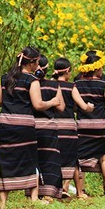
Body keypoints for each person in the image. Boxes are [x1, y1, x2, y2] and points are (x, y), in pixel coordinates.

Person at [0, 47, 61, 209]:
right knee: (30, 159)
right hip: (24, 126)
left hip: (5, 125)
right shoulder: (31, 81)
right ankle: (33, 198)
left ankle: (3, 203)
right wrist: (52, 102)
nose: (38, 66)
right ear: (31, 63)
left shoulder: (5, 78)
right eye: (37, 62)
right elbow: (38, 105)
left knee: (6, 161)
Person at [74, 51, 105, 196]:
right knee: (103, 157)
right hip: (100, 125)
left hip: (83, 125)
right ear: (97, 68)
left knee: (79, 159)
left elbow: (75, 105)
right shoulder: (103, 84)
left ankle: (80, 192)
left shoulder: (76, 84)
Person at [51, 58, 85, 198]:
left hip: (53, 126)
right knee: (73, 159)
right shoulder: (72, 87)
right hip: (69, 127)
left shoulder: (49, 85)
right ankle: (79, 192)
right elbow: (81, 105)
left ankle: (55, 189)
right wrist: (89, 107)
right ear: (67, 71)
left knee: (54, 158)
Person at [33, 55, 65, 200]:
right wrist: (52, 102)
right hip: (48, 128)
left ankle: (33, 192)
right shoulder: (54, 85)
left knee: (35, 159)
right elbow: (61, 107)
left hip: (32, 126)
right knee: (50, 159)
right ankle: (48, 193)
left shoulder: (30, 83)